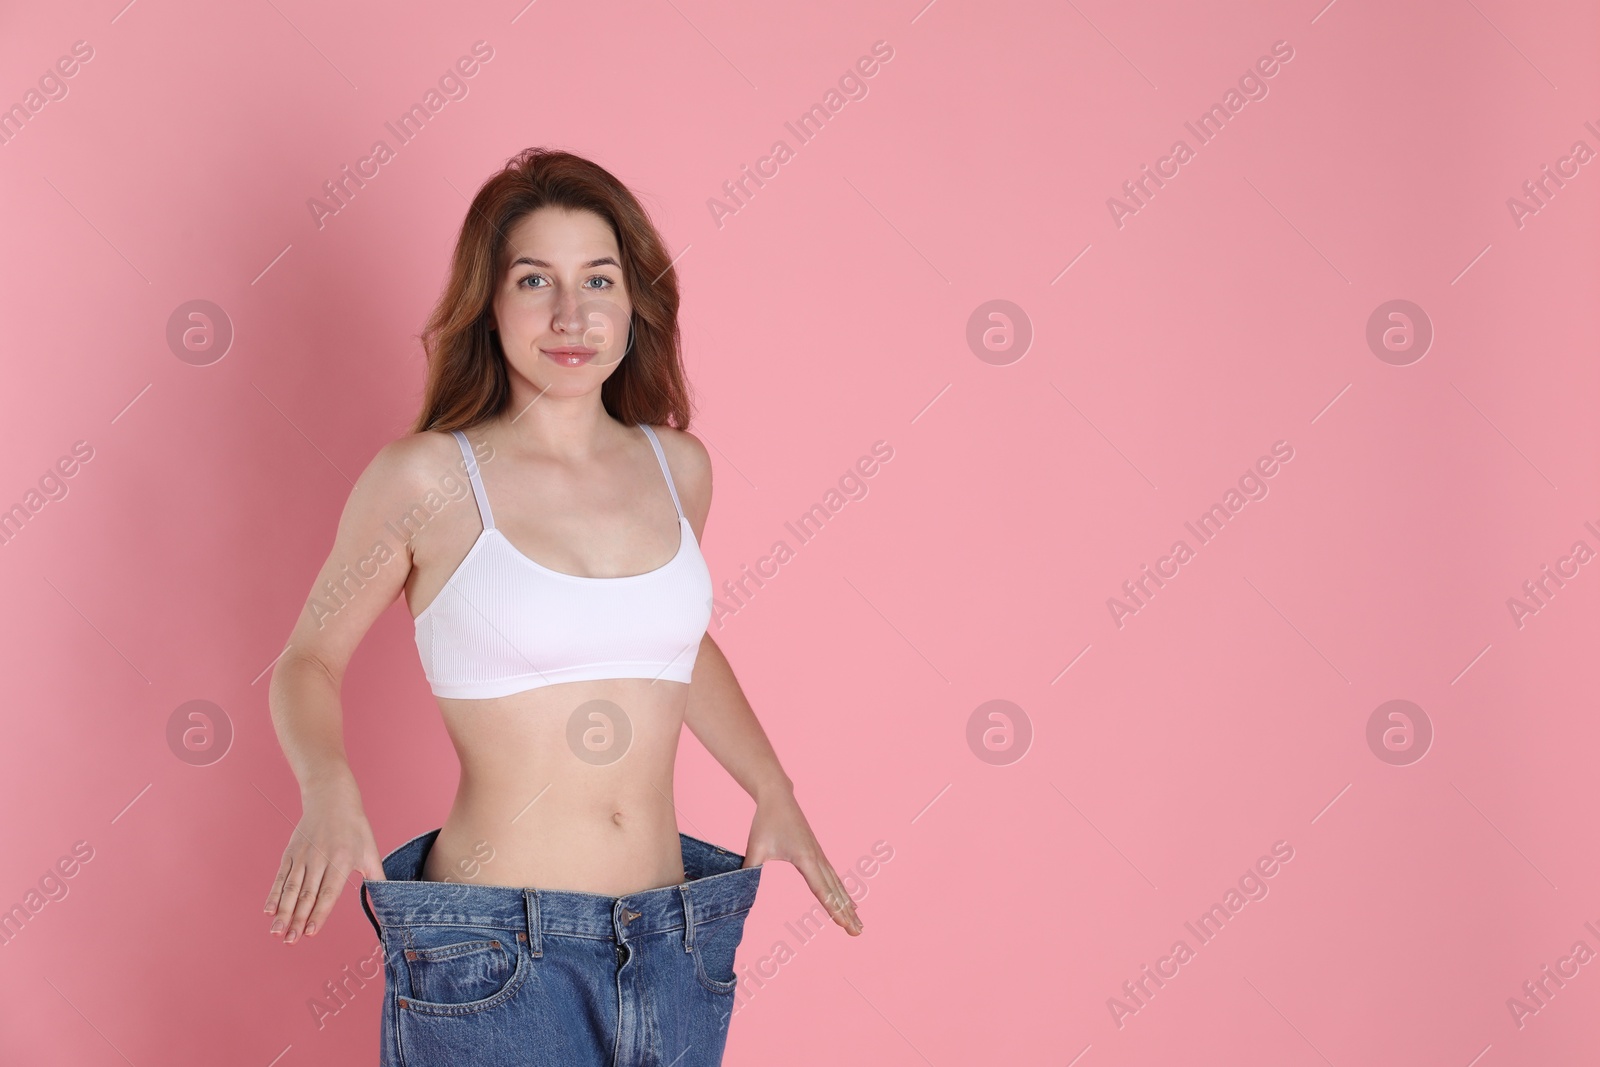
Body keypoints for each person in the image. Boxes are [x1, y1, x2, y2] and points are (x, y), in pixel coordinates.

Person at [264, 146, 862, 1066]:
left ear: (634, 303)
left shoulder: (677, 466)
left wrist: (770, 782)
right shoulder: (427, 476)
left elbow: (669, 643)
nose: (571, 314)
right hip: (498, 950)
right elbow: (307, 660)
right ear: (490, 301)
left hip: (676, 940)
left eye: (600, 279)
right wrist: (327, 786)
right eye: (535, 279)